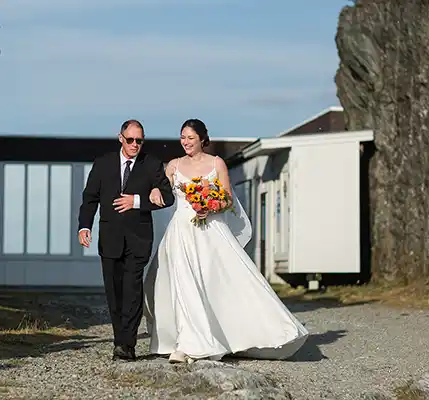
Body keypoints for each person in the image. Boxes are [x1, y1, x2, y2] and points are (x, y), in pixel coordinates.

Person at [143, 119, 308, 363]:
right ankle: (187, 342)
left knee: (216, 283)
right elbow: (160, 191)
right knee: (181, 284)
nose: (186, 142)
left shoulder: (216, 163)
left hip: (210, 230)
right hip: (181, 233)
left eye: (190, 137)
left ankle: (224, 335)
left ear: (202, 139)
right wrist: (154, 191)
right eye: (182, 137)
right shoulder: (174, 166)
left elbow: (228, 200)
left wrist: (209, 206)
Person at [77, 119, 175, 361]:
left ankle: (126, 346)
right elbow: (90, 198)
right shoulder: (103, 163)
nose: (134, 145)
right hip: (109, 238)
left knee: (132, 290)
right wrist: (84, 226)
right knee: (114, 292)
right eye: (130, 140)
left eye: (139, 141)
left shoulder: (151, 165)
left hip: (138, 239)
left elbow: (168, 197)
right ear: (120, 137)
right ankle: (119, 338)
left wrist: (138, 201)